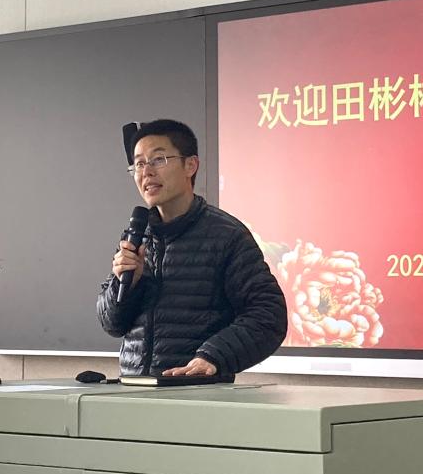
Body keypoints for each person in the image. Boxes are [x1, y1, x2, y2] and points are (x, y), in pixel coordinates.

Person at [97, 119, 287, 377]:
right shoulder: (138, 235)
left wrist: (213, 357)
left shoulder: (226, 235)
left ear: (190, 165)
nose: (147, 172)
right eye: (139, 164)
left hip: (197, 392)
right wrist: (127, 284)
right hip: (135, 391)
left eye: (158, 159)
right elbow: (112, 324)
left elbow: (268, 316)